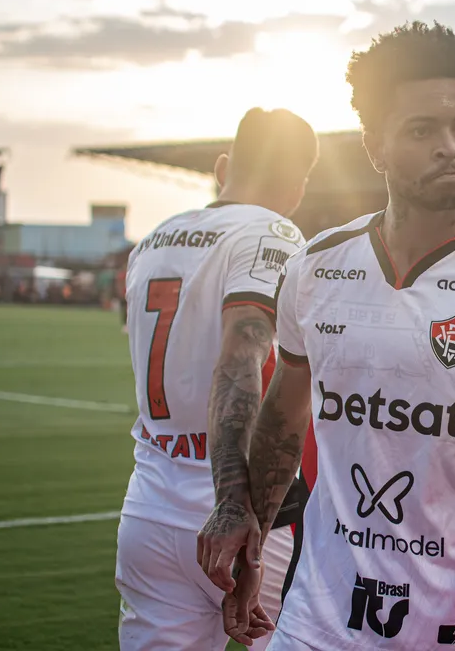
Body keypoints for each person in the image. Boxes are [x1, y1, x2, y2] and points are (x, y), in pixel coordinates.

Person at [222, 21, 455, 650]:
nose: (452, 147)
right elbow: (282, 414)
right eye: (422, 130)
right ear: (374, 147)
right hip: (313, 617)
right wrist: (251, 530)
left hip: (449, 621)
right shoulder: (317, 266)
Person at [115, 107, 318, 651]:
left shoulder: (153, 241)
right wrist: (233, 500)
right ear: (297, 187)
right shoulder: (274, 233)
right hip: (244, 516)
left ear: (222, 166)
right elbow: (241, 356)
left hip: (150, 505)